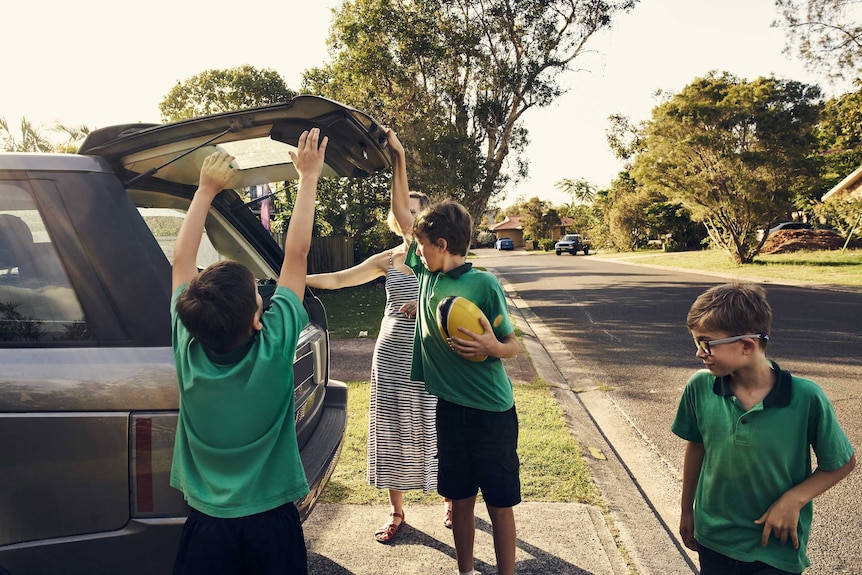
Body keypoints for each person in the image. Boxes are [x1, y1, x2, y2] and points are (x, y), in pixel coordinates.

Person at [169, 128, 328, 575]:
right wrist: (308, 178)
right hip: (271, 524)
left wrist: (204, 191)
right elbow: (296, 257)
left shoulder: (189, 344)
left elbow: (181, 261)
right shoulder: (274, 347)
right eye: (261, 299)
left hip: (207, 528)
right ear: (258, 320)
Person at [390, 129, 521, 575]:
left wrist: (490, 345)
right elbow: (404, 219)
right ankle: (465, 571)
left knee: (500, 504)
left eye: (423, 245)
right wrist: (399, 160)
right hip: (450, 409)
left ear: (441, 246)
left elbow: (514, 346)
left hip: (491, 412)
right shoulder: (427, 275)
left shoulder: (482, 284)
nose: (417, 249)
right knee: (460, 500)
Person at [672, 282, 856, 575]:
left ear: (747, 346)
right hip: (714, 539)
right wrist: (686, 510)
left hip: (774, 545)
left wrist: (793, 500)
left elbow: (842, 462)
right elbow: (697, 445)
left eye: (705, 343)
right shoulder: (700, 387)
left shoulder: (805, 397)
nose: (698, 353)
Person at [306, 187, 453, 543]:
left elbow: (459, 299)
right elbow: (340, 279)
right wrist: (295, 280)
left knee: (440, 427)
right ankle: (396, 511)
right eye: (406, 211)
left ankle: (453, 499)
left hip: (430, 354)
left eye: (417, 211)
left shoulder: (440, 258)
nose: (412, 218)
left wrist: (428, 308)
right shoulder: (387, 260)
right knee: (390, 428)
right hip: (389, 355)